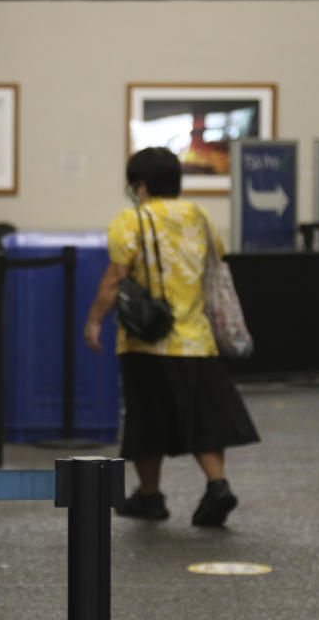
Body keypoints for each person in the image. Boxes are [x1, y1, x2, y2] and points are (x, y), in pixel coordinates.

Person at [83, 146, 259, 527]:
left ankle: (150, 497)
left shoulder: (131, 221)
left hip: (147, 340)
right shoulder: (201, 217)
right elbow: (215, 268)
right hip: (197, 339)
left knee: (147, 419)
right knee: (203, 418)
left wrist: (95, 320)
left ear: (140, 185)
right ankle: (218, 485)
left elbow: (115, 278)